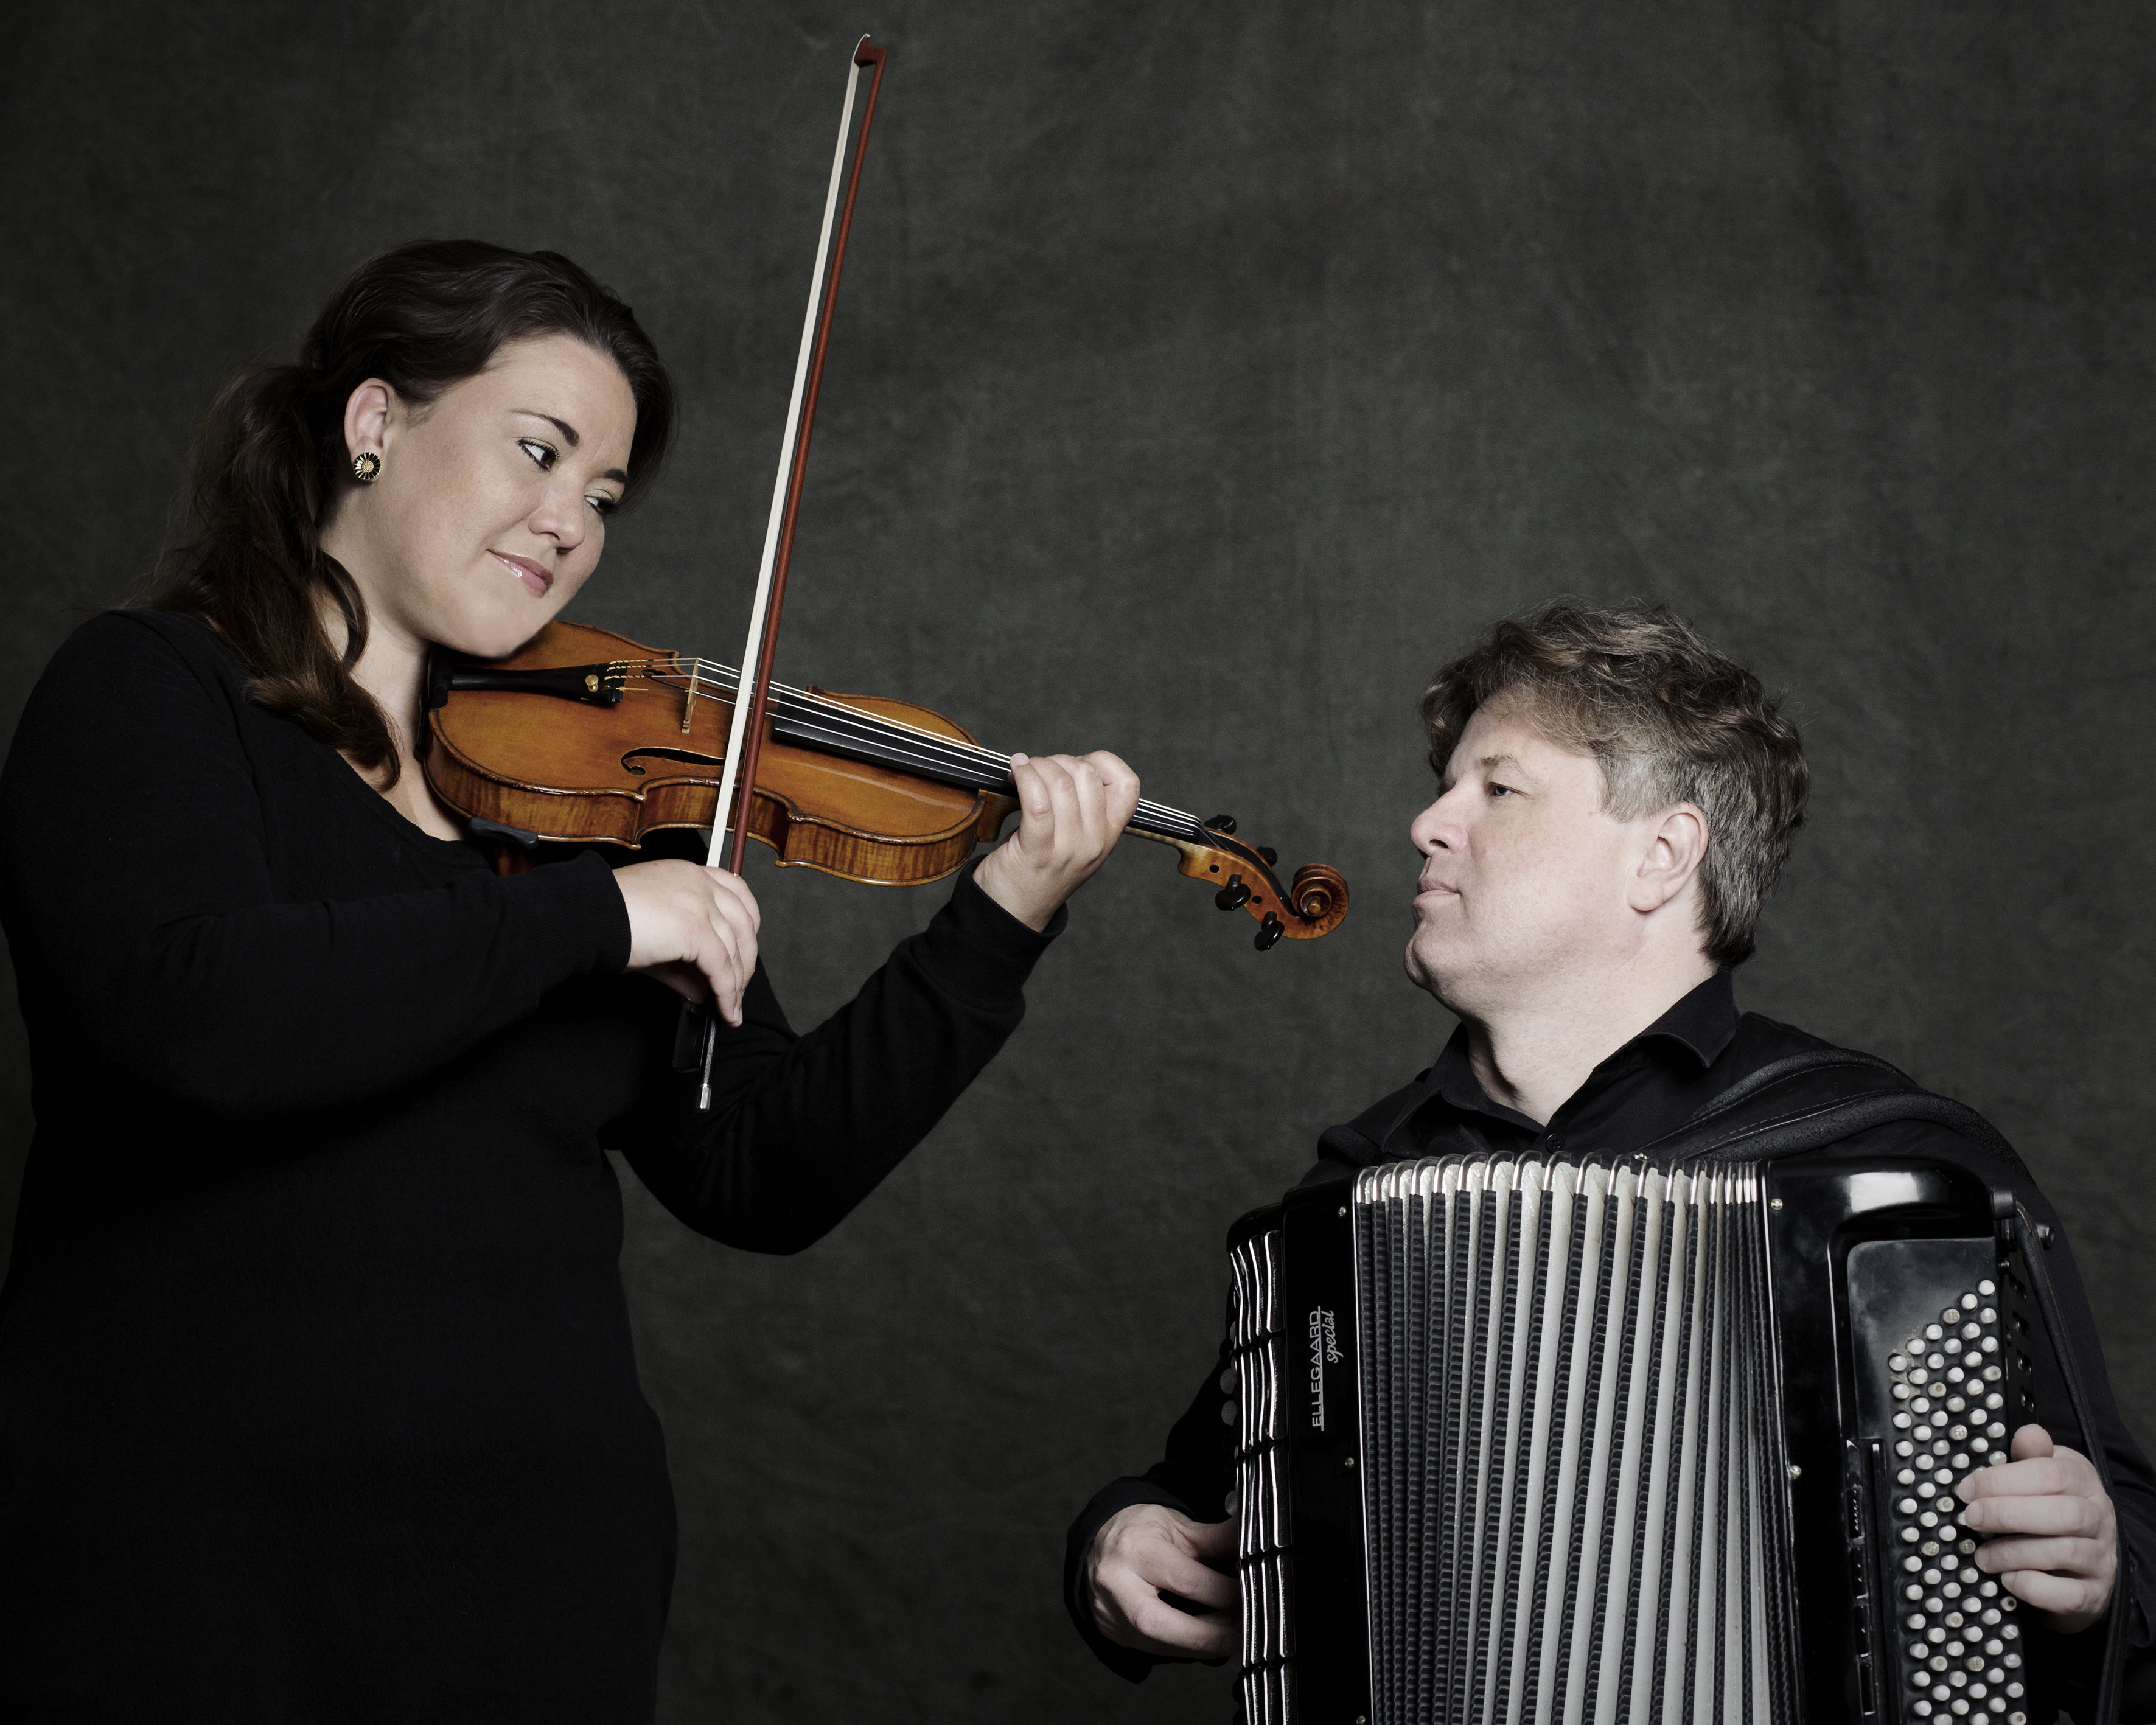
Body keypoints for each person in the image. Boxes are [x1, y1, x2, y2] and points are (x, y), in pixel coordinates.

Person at [0, 239, 1140, 1721]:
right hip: (188, 1571)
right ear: (373, 421)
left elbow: (760, 1169)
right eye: (537, 452)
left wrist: (1001, 915)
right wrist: (592, 922)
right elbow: (193, 1007)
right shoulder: (152, 689)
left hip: (529, 1597)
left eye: (602, 496)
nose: (568, 525)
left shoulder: (585, 811)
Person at [1066, 600, 2155, 1719]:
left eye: (1497, 788)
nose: (1427, 824)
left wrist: (2102, 1566)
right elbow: (1191, 1494)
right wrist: (1118, 1535)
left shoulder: (1890, 1163)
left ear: (1663, 856)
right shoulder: (1359, 1201)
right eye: (1447, 785)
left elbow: (2132, 1543)